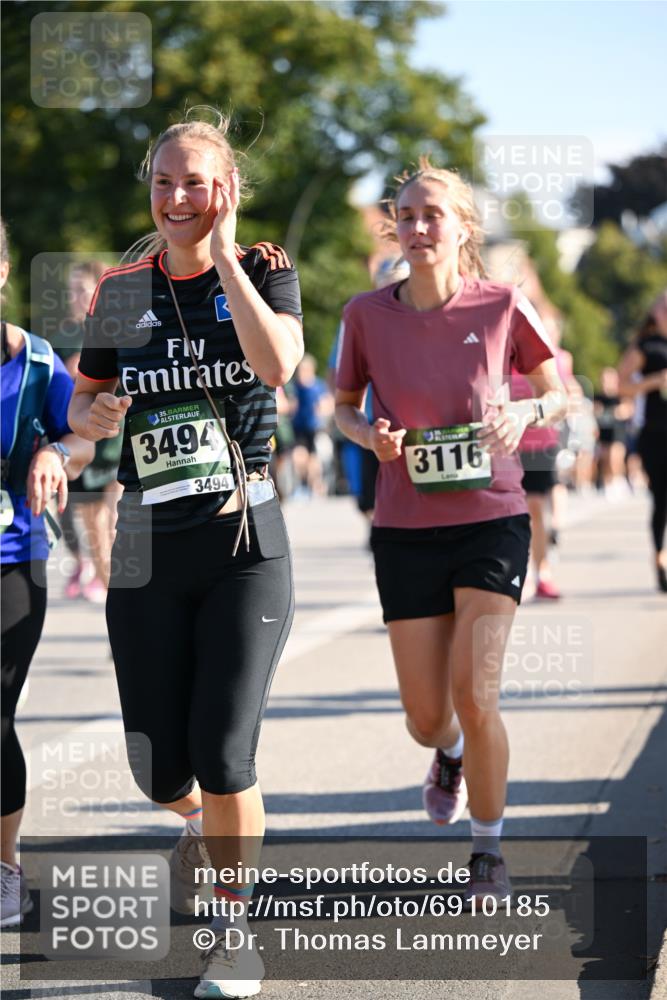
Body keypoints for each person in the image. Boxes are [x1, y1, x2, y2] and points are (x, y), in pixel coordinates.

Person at [67, 112, 303, 998]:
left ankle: (234, 930)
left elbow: (278, 367)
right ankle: (203, 820)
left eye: (195, 182)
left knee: (223, 749)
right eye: (164, 181)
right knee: (156, 766)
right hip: (146, 549)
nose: (176, 198)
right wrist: (83, 429)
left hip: (245, 545)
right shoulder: (121, 292)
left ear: (225, 191)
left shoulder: (267, 273)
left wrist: (231, 257)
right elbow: (87, 408)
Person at [335, 158, 567, 903]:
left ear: (462, 227)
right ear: (393, 229)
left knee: (477, 691)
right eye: (405, 215)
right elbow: (340, 404)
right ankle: (449, 757)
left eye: (432, 214)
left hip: (491, 519)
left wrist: (523, 412)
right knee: (426, 716)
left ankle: (489, 849)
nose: (417, 226)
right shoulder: (365, 314)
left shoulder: (502, 303)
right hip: (404, 524)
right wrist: (367, 435)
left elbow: (558, 390)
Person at [1, 217, 93, 927]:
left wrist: (55, 454)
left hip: (12, 563)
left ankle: (5, 871)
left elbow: (84, 431)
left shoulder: (34, 364)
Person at [56, 260, 124, 602]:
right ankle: (117, 606)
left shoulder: (119, 328)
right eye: (72, 291)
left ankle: (133, 606)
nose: (76, 298)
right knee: (97, 529)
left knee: (119, 524)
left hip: (119, 437)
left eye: (82, 290)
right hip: (85, 440)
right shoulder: (64, 338)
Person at [511, 318, 575, 600]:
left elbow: (565, 394)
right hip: (508, 444)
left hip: (541, 444)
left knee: (535, 508)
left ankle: (542, 574)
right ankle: (516, 573)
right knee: (515, 513)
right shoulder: (505, 356)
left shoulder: (557, 360)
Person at [618, 290, 667, 592]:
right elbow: (622, 385)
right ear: (656, 312)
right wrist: (653, 382)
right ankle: (659, 556)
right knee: (661, 498)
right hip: (655, 433)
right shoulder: (645, 347)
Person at [290, 353, 333, 496]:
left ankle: (314, 485)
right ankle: (304, 483)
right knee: (299, 456)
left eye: (305, 370)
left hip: (314, 427)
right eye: (300, 370)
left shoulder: (318, 386)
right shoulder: (295, 386)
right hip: (298, 426)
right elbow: (291, 403)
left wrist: (323, 409)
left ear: (311, 370)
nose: (302, 373)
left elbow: (328, 403)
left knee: (314, 458)